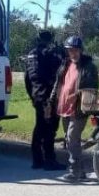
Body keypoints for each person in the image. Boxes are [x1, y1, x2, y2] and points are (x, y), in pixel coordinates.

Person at [47, 35, 99, 183]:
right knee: (70, 140)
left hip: (78, 109)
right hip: (63, 107)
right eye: (70, 50)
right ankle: (80, 171)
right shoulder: (65, 64)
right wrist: (51, 101)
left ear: (81, 50)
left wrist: (80, 98)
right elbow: (58, 84)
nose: (73, 53)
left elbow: (93, 88)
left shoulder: (89, 67)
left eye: (75, 50)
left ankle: (74, 171)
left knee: (71, 139)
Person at [23, 31, 66, 170]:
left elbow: (27, 78)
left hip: (38, 95)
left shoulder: (32, 54)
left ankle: (37, 160)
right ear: (51, 39)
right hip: (48, 96)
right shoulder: (50, 54)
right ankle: (49, 160)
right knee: (50, 128)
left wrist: (33, 96)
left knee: (40, 126)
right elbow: (58, 72)